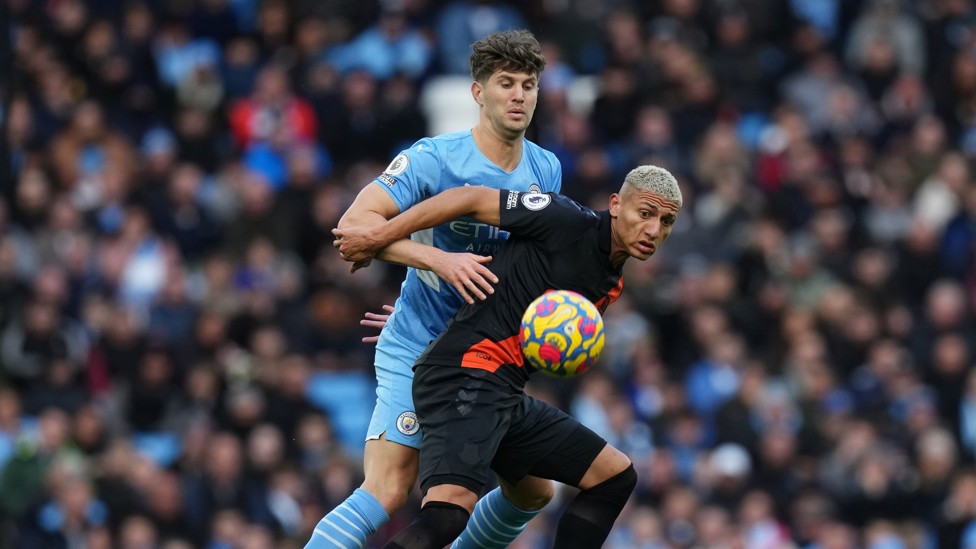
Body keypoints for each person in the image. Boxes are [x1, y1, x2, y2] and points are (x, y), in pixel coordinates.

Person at [333, 164, 683, 548]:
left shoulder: (610, 279)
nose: (654, 230)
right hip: (465, 375)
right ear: (616, 204)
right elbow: (467, 198)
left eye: (666, 221)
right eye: (645, 214)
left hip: (502, 390)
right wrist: (381, 235)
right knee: (447, 514)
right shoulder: (566, 220)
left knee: (613, 477)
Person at [304, 29, 562, 549]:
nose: (518, 96)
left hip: (486, 357)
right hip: (419, 347)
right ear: (477, 92)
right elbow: (353, 227)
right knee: (388, 486)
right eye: (505, 83)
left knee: (534, 492)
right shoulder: (432, 159)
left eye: (528, 85)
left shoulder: (546, 169)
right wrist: (435, 260)